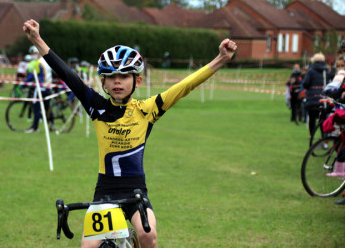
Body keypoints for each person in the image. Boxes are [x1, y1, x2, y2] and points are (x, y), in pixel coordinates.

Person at [23, 19, 237, 247]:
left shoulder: (147, 109)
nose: (117, 82)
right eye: (111, 77)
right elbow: (67, 74)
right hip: (105, 191)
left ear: (138, 80)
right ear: (103, 82)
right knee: (88, 246)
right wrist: (36, 39)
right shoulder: (96, 106)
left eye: (124, 76)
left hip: (136, 191)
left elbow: (185, 85)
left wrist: (222, 58)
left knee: (148, 236)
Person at [24, 45, 54, 133]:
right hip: (48, 87)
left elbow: (32, 75)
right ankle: (52, 126)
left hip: (41, 89)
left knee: (37, 108)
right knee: (48, 108)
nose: (33, 55)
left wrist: (24, 83)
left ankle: (35, 127)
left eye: (34, 53)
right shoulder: (46, 61)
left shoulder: (38, 63)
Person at [302, 52, 328, 138]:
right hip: (323, 97)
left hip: (312, 97)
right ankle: (323, 136)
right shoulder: (326, 71)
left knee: (312, 118)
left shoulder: (311, 71)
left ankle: (312, 135)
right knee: (322, 118)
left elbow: (305, 83)